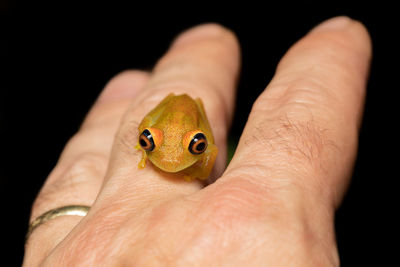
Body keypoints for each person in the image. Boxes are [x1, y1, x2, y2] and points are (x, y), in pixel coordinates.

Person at [23, 16, 371, 266]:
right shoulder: (152, 137)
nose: (171, 158)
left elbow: (214, 148)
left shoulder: (204, 142)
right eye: (148, 141)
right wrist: (146, 150)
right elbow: (152, 127)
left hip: (192, 113)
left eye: (195, 146)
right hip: (168, 110)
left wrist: (199, 166)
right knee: (162, 132)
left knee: (194, 130)